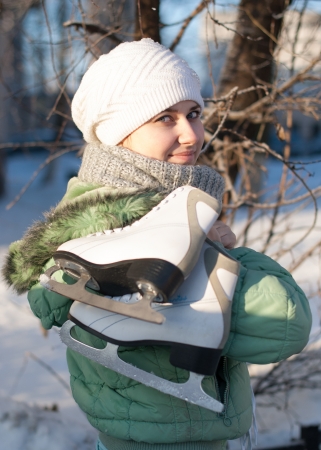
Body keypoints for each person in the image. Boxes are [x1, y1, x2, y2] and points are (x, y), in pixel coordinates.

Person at [3, 39, 311, 450]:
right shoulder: (134, 238)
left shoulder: (159, 216)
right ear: (118, 133)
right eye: (165, 117)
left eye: (194, 113)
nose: (191, 134)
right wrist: (223, 252)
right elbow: (284, 324)